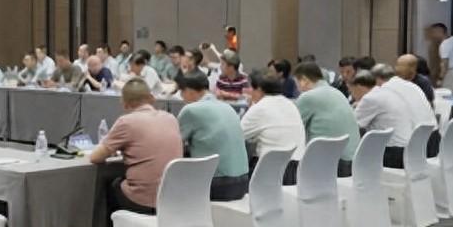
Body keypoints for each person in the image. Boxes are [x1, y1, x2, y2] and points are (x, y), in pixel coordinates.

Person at [89, 78, 182, 215]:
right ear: (152, 98)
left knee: (112, 184)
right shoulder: (171, 118)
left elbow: (95, 157)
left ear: (124, 104)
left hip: (142, 201)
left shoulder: (126, 122)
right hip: (171, 198)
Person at [176, 71, 249, 201]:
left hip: (218, 184)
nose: (181, 96)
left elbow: (174, 144)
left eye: (181, 92)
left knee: (171, 183)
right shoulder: (228, 107)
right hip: (243, 182)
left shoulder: (191, 109)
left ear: (189, 91)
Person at [294, 61, 360, 177]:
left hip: (329, 163)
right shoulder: (338, 93)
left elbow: (293, 127)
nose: (297, 88)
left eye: (297, 83)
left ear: (304, 80)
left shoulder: (308, 97)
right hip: (352, 159)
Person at [241, 70, 306, 183]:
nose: (249, 92)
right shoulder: (291, 104)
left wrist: (251, 107)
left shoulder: (260, 108)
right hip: (296, 169)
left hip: (270, 170)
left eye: (251, 88)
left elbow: (237, 135)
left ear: (259, 90)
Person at [349, 70, 412, 168]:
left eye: (351, 91)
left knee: (350, 155)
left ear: (358, 87)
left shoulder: (369, 99)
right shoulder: (386, 92)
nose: (352, 95)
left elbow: (352, 125)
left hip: (392, 153)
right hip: (407, 149)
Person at [374, 62, 438, 156]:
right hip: (433, 142)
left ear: (377, 79)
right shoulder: (413, 86)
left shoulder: (384, 90)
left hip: (412, 148)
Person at [428, 23, 453, 91]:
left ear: (439, 31)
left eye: (433, 32)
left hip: (452, 72)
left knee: (446, 92)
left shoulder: (445, 44)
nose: (432, 35)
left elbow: (444, 64)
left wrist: (440, 78)